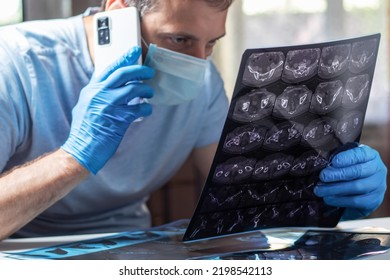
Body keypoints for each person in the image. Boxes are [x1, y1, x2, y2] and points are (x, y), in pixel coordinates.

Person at [0, 0, 386, 241]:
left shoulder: (203, 81)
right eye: (180, 41)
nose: (199, 63)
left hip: (126, 248)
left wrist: (326, 199)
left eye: (212, 42)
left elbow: (242, 197)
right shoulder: (15, 64)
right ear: (118, 15)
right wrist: (74, 156)